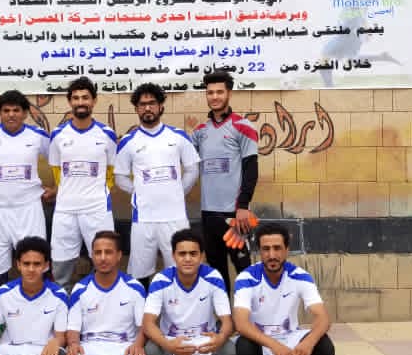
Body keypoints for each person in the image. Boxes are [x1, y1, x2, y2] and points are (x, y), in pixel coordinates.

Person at [0, 90, 55, 310]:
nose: (11, 115)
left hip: (29, 209)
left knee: (36, 266)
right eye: (6, 110)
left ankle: (39, 316)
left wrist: (56, 189)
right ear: (0, 113)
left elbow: (59, 162)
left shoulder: (38, 136)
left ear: (25, 113)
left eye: (16, 110)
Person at [114, 83, 200, 288]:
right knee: (140, 273)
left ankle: (177, 308)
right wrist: (138, 192)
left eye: (152, 103)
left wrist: (178, 191)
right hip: (143, 218)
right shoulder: (128, 141)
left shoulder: (178, 137)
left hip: (175, 217)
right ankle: (142, 308)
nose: (147, 108)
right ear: (136, 109)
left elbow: (192, 170)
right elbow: (120, 177)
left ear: (161, 106)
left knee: (180, 271)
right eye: (142, 104)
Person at [233, 223, 336, 355]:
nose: (272, 255)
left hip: (290, 339)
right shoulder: (246, 278)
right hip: (260, 342)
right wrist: (274, 345)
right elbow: (241, 324)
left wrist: (309, 342)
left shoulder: (300, 276)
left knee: (324, 345)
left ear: (286, 250)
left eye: (277, 248)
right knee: (244, 347)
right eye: (266, 249)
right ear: (259, 251)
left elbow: (323, 318)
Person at [48, 77, 118, 291]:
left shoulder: (106, 134)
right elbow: (56, 171)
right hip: (65, 210)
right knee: (61, 267)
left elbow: (111, 170)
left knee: (104, 262)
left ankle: (102, 305)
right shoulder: (58, 135)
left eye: (85, 98)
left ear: (94, 101)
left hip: (97, 209)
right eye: (76, 98)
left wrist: (99, 192)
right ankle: (62, 306)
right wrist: (67, 193)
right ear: (70, 102)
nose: (81, 102)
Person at [192, 71, 259, 290]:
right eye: (210, 92)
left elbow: (251, 169)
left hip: (234, 216)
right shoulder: (200, 131)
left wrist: (243, 206)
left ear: (229, 93)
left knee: (244, 270)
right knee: (217, 273)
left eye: (219, 92)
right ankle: (224, 312)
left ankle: (248, 312)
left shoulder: (243, 126)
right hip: (208, 214)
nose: (215, 97)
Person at [143, 229, 235, 355]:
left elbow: (227, 321)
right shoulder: (161, 280)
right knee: (151, 349)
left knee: (228, 348)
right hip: (172, 343)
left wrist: (221, 337)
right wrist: (167, 344)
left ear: (202, 256)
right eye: (182, 254)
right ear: (173, 256)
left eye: (193, 253)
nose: (187, 259)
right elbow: (148, 323)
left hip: (206, 343)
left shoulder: (213, 277)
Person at [0, 236, 67, 355]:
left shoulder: (59, 295)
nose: (31, 269)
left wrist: (56, 342)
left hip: (43, 353)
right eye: (26, 264)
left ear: (46, 265)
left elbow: (61, 337)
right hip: (10, 352)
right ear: (18, 264)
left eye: (37, 264)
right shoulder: (4, 293)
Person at [65, 231, 148, 355]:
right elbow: (73, 328)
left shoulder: (135, 288)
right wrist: (73, 344)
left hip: (124, 348)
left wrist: (138, 345)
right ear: (92, 256)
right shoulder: (80, 289)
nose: (102, 258)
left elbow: (143, 327)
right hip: (89, 349)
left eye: (108, 252)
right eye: (98, 253)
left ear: (119, 255)